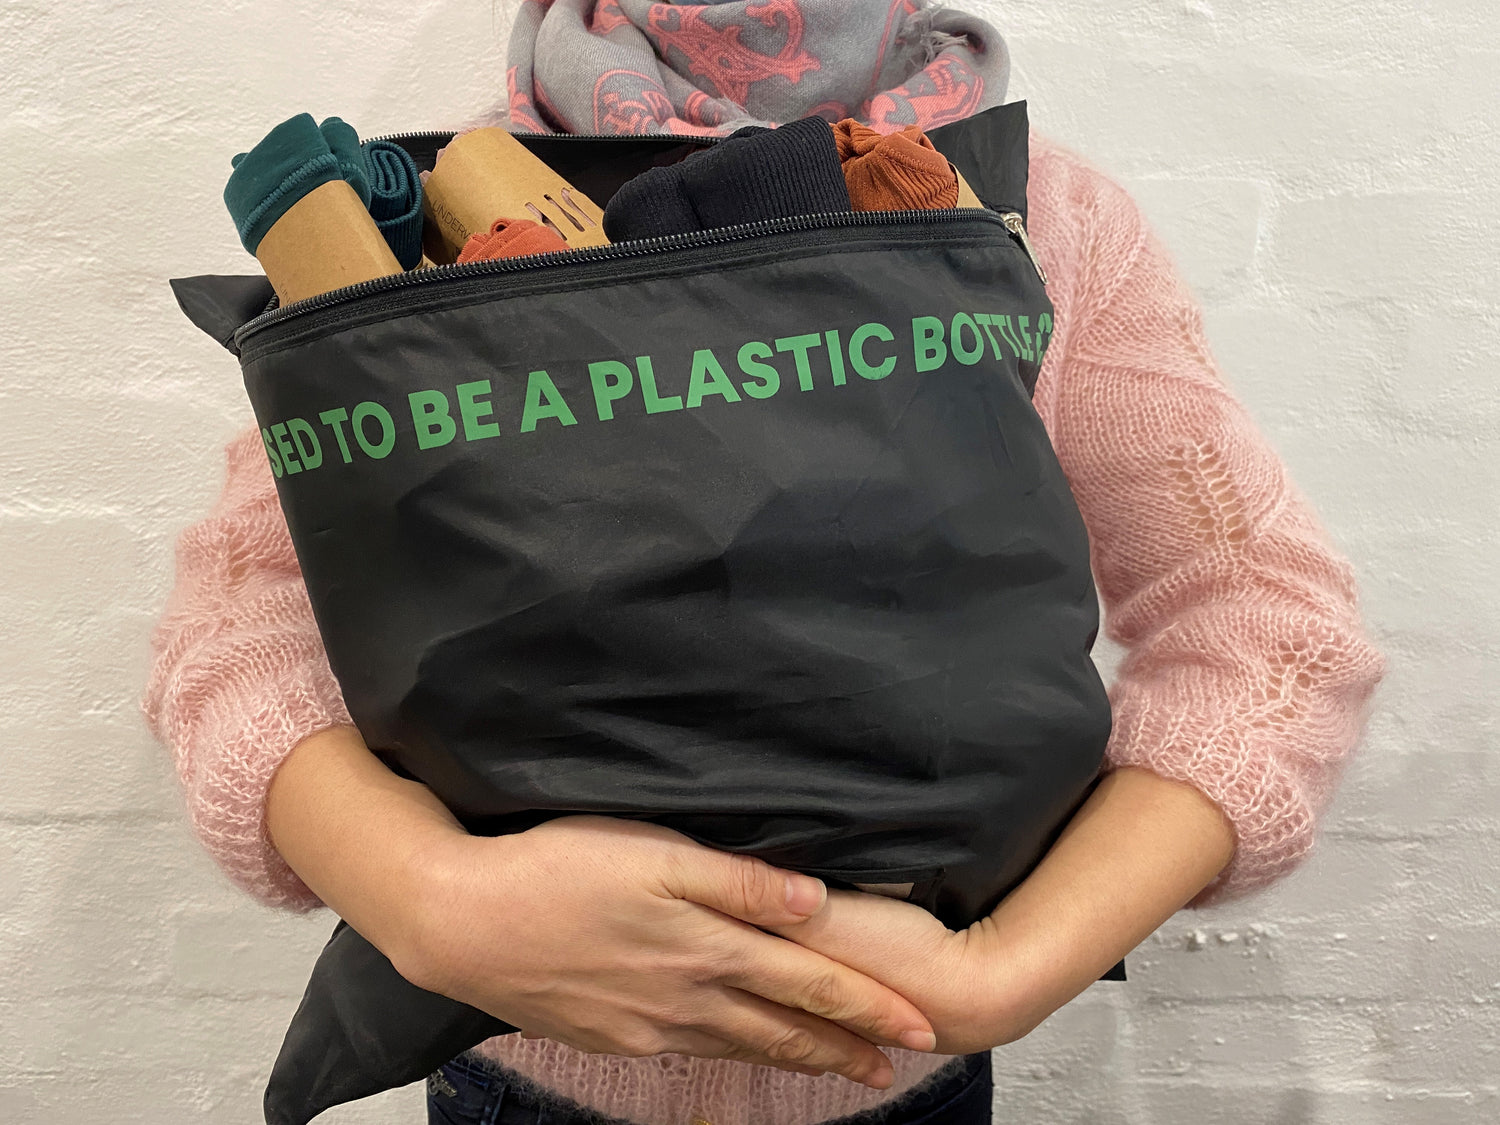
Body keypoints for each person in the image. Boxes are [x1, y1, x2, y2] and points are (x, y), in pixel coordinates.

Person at [144, 3, 1385, 1123]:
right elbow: (237, 633)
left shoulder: (1041, 218)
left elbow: (1268, 626)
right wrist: (425, 899)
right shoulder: (400, 221)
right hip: (516, 1085)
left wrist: (1008, 970)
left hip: (908, 1090)